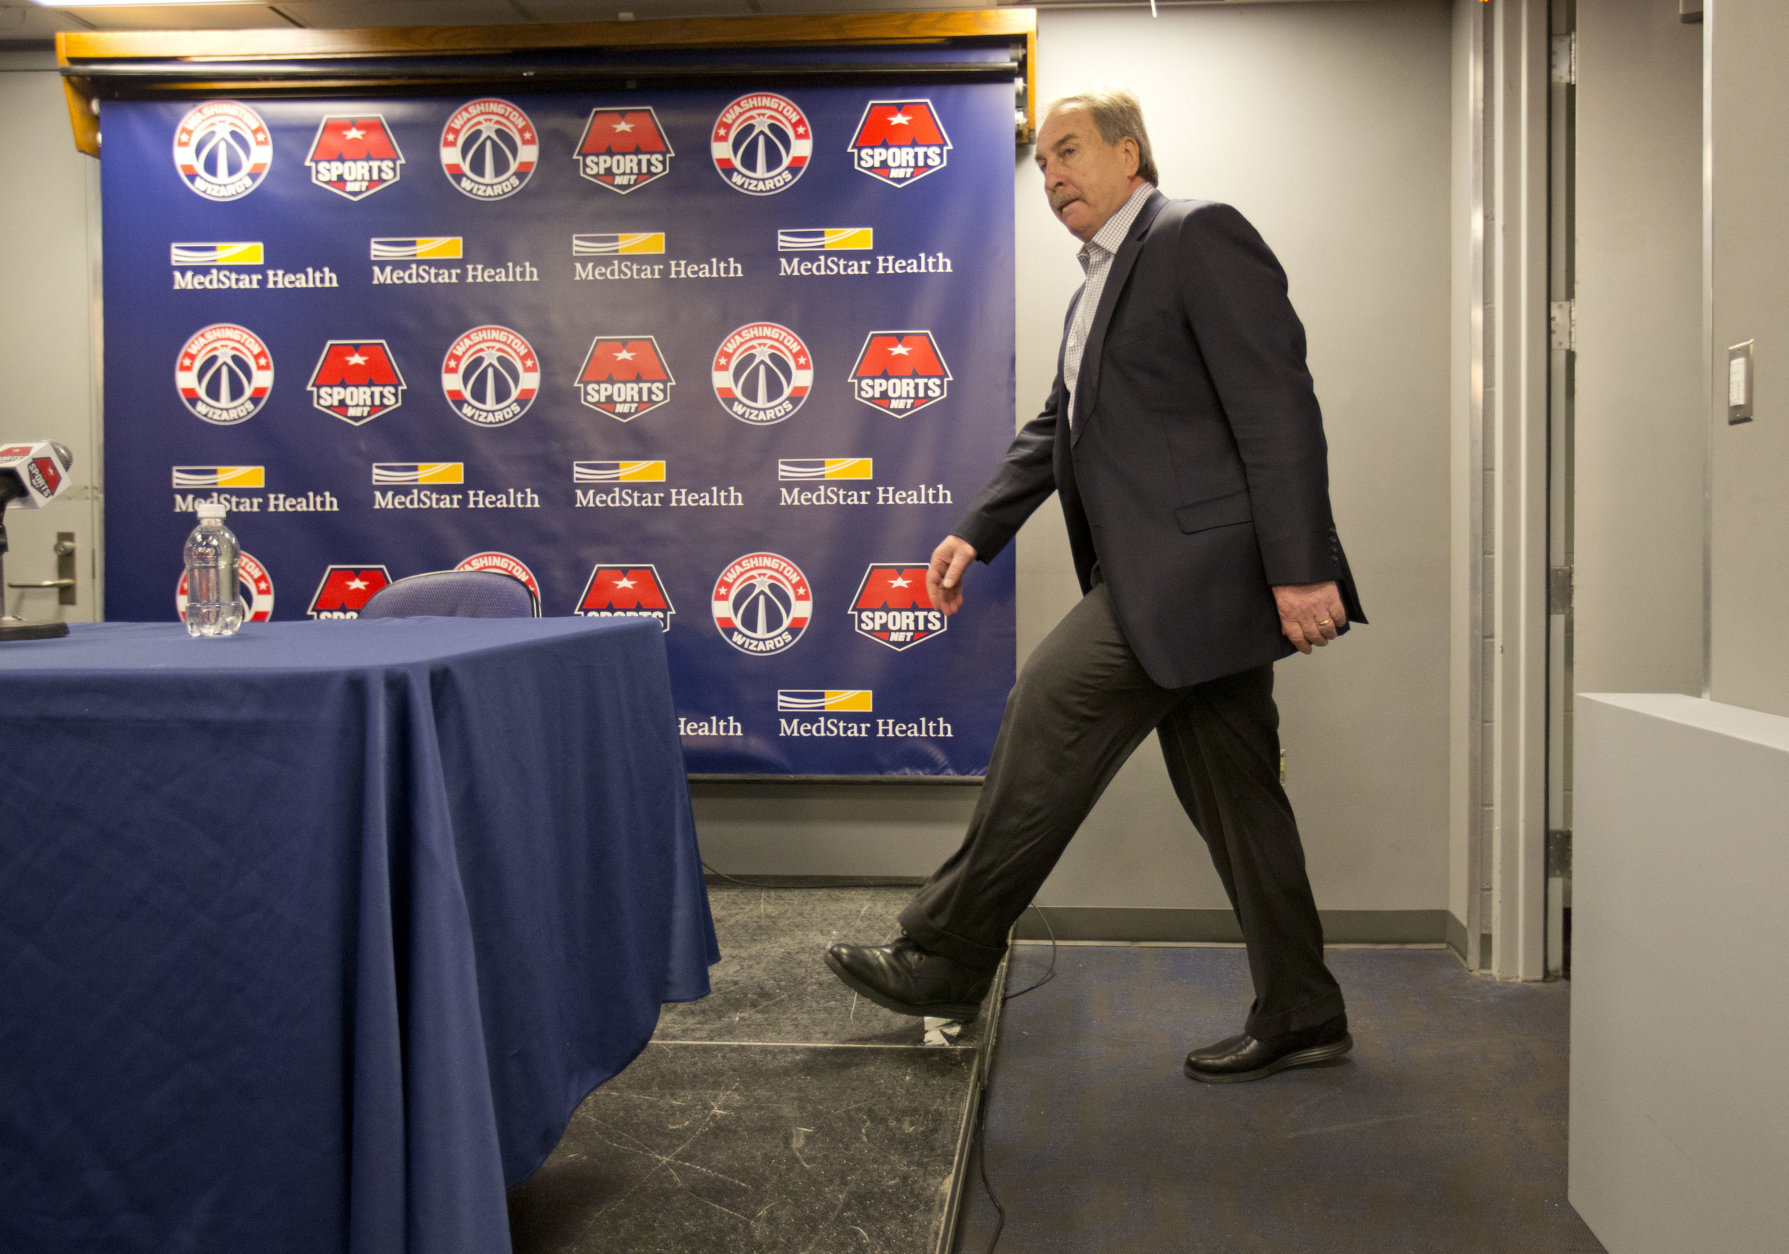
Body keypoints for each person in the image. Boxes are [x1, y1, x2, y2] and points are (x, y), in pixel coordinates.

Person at [824, 88, 1366, 1084]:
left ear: (1129, 154)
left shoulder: (1196, 234)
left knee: (1045, 709)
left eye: (1068, 152)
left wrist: (1301, 569)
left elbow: (1278, 408)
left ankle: (946, 956)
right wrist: (975, 532)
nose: (1052, 176)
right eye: (1040, 165)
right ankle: (1303, 1010)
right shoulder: (1097, 283)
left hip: (1201, 577)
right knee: (1240, 803)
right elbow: (1056, 429)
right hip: (1181, 593)